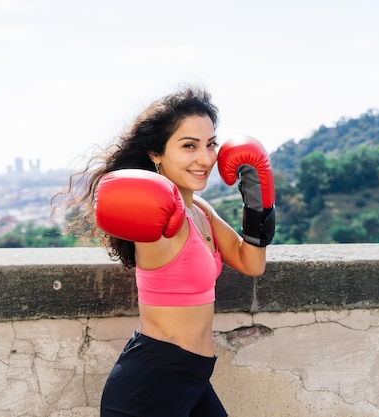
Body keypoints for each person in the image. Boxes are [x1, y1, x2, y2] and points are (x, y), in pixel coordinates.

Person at [56, 85, 275, 417]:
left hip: (193, 378)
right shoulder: (156, 219)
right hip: (150, 387)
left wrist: (257, 201)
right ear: (155, 154)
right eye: (189, 146)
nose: (205, 159)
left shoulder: (200, 210)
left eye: (210, 144)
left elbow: (251, 262)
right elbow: (130, 209)